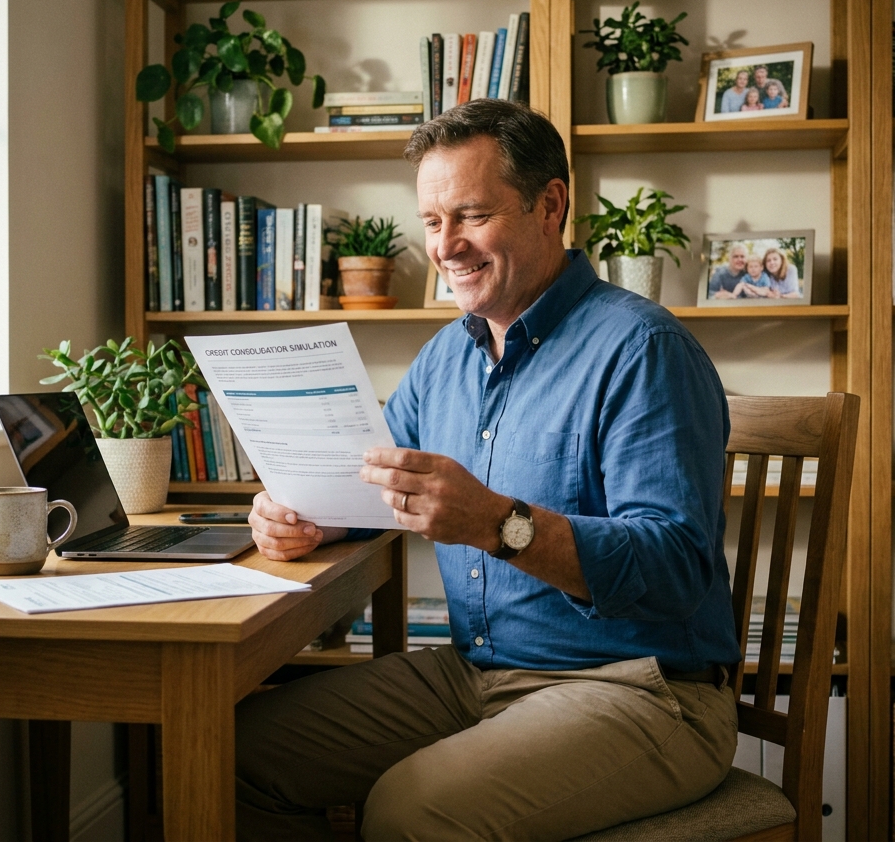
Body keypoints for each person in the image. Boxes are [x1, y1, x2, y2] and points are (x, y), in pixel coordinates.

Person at [239, 99, 741, 841]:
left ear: (551, 204)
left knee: (411, 812)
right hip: (473, 675)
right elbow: (373, 478)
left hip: (642, 689)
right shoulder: (447, 356)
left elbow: (676, 567)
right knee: (237, 749)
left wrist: (499, 525)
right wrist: (297, 510)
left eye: (471, 216)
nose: (446, 247)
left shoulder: (643, 351)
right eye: (433, 221)